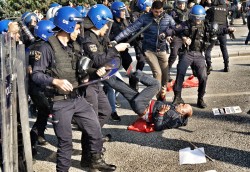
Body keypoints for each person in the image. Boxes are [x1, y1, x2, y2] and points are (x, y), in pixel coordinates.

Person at [31, 6, 116, 171]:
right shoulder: (46, 47)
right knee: (66, 144)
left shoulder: (74, 46)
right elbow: (36, 74)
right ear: (68, 25)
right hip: (59, 102)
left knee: (95, 130)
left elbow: (81, 68)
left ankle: (95, 159)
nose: (80, 30)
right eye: (77, 27)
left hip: (78, 99)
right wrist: (55, 81)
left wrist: (93, 71)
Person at [78, 4, 129, 168]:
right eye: (106, 23)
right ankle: (94, 158)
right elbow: (98, 59)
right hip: (88, 84)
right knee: (92, 122)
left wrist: (112, 49)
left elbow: (104, 58)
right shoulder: (88, 39)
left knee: (105, 111)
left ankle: (90, 149)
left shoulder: (98, 38)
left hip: (96, 82)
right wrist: (115, 49)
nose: (107, 27)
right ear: (98, 22)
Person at [105, 70, 192, 131]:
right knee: (122, 86)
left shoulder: (174, 119)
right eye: (183, 104)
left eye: (183, 106)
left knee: (156, 84)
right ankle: (104, 75)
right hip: (143, 103)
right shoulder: (175, 108)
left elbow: (158, 127)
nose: (181, 104)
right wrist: (162, 95)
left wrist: (161, 113)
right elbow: (161, 104)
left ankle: (135, 73)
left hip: (142, 107)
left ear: (182, 113)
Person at [114, 1, 176, 86]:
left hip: (162, 49)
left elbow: (175, 28)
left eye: (160, 11)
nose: (158, 14)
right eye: (156, 12)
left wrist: (167, 34)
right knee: (157, 73)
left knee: (165, 75)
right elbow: (130, 29)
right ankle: (156, 95)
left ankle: (162, 94)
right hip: (148, 50)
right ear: (152, 10)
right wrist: (116, 40)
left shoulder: (168, 18)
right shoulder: (145, 18)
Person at [28, 20, 56, 152]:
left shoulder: (31, 46)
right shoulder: (43, 47)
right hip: (40, 86)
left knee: (44, 112)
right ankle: (32, 141)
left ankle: (39, 135)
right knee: (46, 110)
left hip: (34, 86)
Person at [205, 0, 236, 73]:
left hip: (213, 30)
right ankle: (226, 66)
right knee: (224, 48)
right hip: (223, 30)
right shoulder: (226, 8)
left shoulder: (212, 8)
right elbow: (227, 17)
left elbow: (206, 19)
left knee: (208, 49)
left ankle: (209, 65)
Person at [168, 0, 190, 81]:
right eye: (179, 4)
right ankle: (167, 73)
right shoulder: (173, 13)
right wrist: (168, 35)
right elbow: (169, 25)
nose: (181, 5)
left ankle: (180, 74)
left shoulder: (189, 12)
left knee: (183, 56)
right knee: (173, 55)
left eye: (183, 3)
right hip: (176, 36)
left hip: (186, 37)